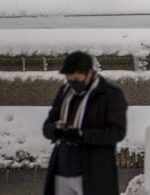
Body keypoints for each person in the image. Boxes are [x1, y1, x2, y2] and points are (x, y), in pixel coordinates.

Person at [42, 51, 127, 195]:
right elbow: (47, 126)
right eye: (70, 80)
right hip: (62, 170)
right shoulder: (65, 92)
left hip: (93, 173)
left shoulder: (110, 95)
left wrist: (81, 135)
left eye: (77, 79)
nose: (74, 84)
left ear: (89, 73)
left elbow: (116, 133)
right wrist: (56, 130)